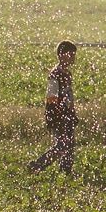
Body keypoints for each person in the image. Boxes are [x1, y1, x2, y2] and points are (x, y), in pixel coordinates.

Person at [28, 40, 80, 175]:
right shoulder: (55, 74)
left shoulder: (67, 74)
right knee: (62, 146)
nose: (73, 58)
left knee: (69, 145)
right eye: (71, 55)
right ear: (61, 55)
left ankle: (65, 171)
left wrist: (72, 113)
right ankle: (37, 165)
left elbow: (69, 97)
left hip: (67, 114)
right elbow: (51, 98)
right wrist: (52, 116)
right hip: (58, 115)